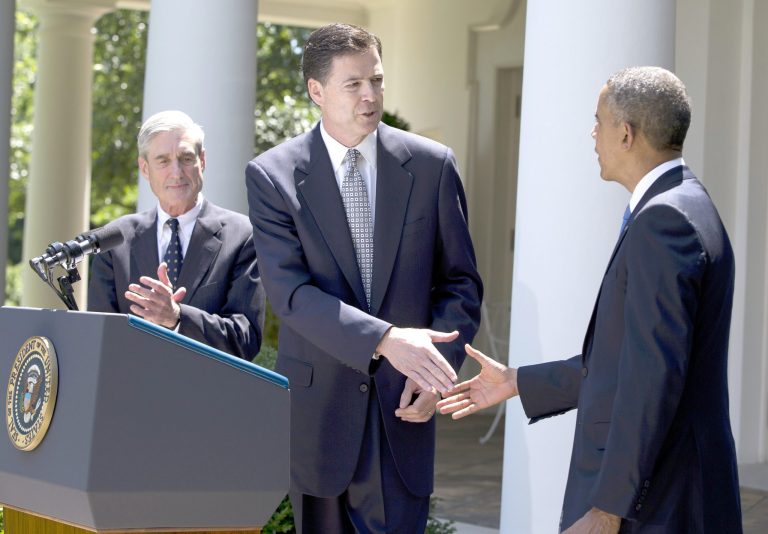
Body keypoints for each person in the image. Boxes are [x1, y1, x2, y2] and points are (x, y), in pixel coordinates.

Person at [438, 67, 742, 533]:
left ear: (626, 134)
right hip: (672, 489)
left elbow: (651, 379)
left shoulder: (665, 221)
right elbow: (624, 363)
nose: (592, 133)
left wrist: (608, 509)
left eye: (598, 121)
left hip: (662, 500)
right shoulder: (686, 203)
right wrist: (518, 381)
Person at [246, 23, 482, 534]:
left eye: (376, 80)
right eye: (354, 84)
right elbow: (291, 295)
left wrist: (435, 372)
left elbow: (461, 284)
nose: (370, 96)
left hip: (405, 411)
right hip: (319, 417)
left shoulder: (432, 167)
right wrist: (386, 339)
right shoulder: (273, 176)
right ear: (317, 91)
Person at [89, 110, 265, 360]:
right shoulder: (115, 241)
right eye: (163, 160)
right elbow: (100, 341)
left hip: (207, 394)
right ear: (145, 168)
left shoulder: (242, 236)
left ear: (201, 161)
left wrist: (178, 317)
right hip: (133, 394)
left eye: (185, 158)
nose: (177, 172)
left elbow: (245, 338)